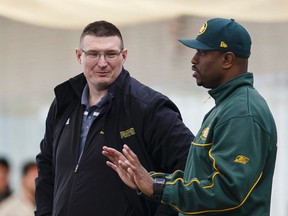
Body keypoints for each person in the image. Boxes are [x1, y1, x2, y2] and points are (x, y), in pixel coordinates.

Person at [102, 18, 278, 215]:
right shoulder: (226, 107)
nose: (194, 60)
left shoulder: (242, 113)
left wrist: (159, 189)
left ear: (227, 60)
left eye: (202, 53)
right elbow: (200, 178)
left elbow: (229, 191)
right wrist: (148, 181)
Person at [34, 20, 194, 216]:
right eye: (93, 54)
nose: (102, 63)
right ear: (79, 56)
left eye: (110, 54)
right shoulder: (63, 104)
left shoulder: (149, 107)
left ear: (123, 56)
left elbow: (190, 167)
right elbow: (46, 166)